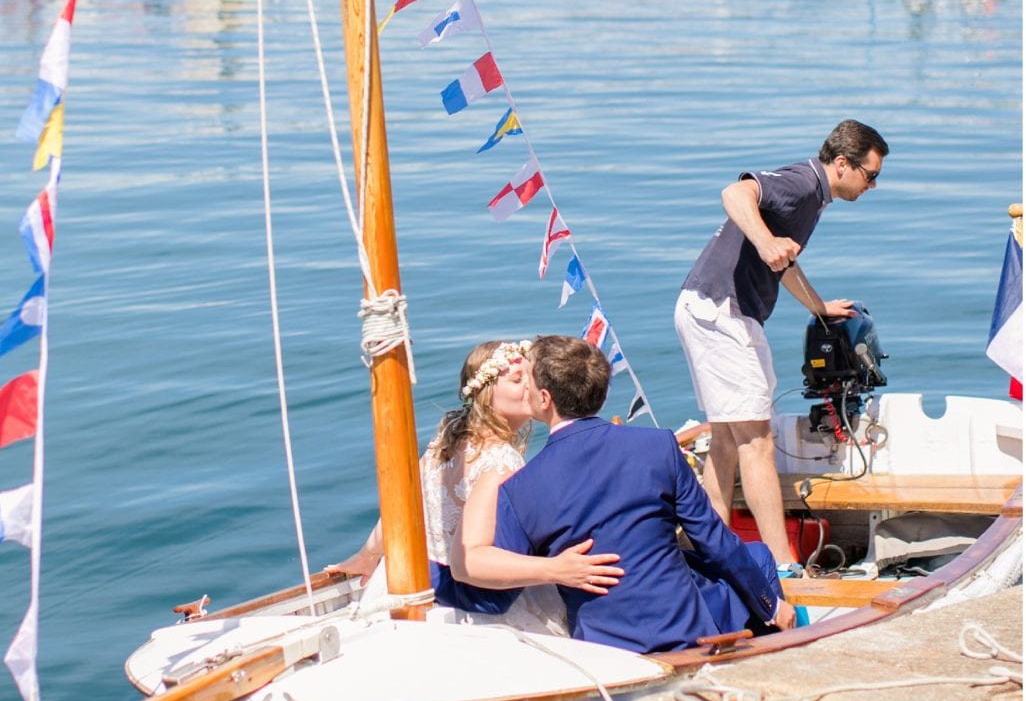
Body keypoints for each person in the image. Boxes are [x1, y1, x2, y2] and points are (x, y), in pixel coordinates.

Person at [452, 336, 795, 653]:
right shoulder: (657, 445)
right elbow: (715, 541)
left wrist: (436, 578)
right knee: (759, 558)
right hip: (684, 627)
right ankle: (768, 660)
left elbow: (496, 595)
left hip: (605, 646)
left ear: (544, 399)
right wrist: (772, 606)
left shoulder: (520, 487)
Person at [675, 118, 888, 570]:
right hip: (719, 312)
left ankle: (713, 550)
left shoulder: (813, 199)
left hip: (719, 309)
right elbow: (735, 194)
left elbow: (782, 263)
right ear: (844, 164)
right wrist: (766, 238)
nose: (874, 186)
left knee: (729, 438)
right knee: (756, 441)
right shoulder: (801, 184)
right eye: (871, 176)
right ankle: (782, 562)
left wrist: (818, 306)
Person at [327, 338, 622, 635]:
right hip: (472, 605)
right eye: (517, 379)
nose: (529, 388)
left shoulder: (441, 445)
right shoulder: (502, 461)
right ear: (486, 393)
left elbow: (401, 512)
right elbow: (479, 554)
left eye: (529, 378)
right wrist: (558, 568)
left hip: (409, 590)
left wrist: (366, 557)